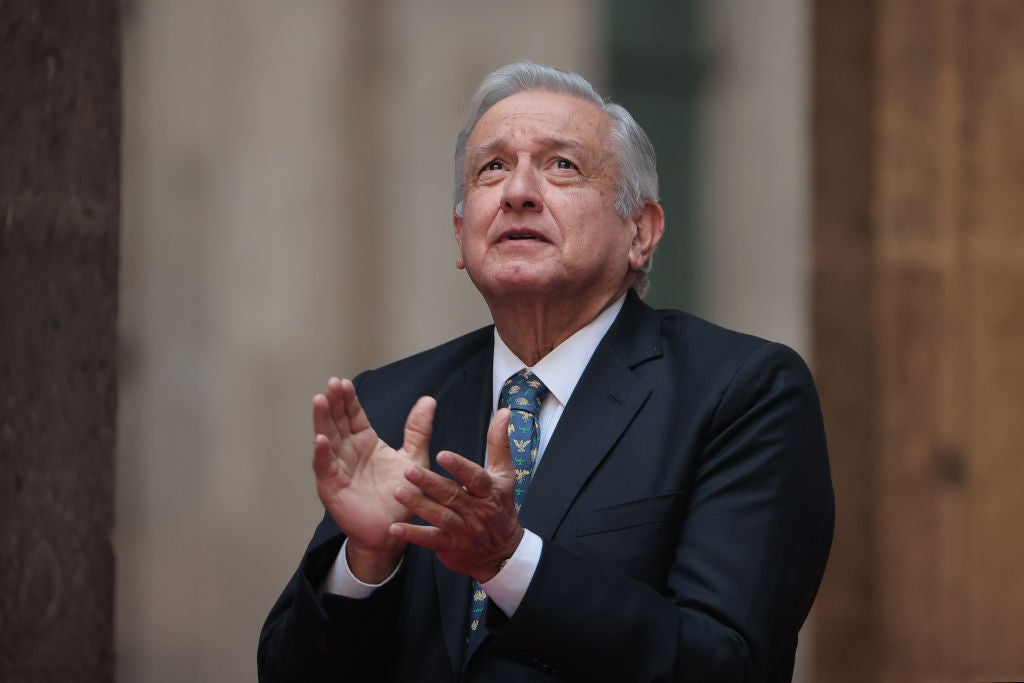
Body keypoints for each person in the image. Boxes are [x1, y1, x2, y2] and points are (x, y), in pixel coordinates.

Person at [258, 60, 833, 683]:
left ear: (640, 231)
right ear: (461, 233)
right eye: (492, 168)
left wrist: (510, 562)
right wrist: (368, 561)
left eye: (562, 165)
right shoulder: (395, 403)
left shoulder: (741, 392)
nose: (518, 192)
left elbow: (724, 663)